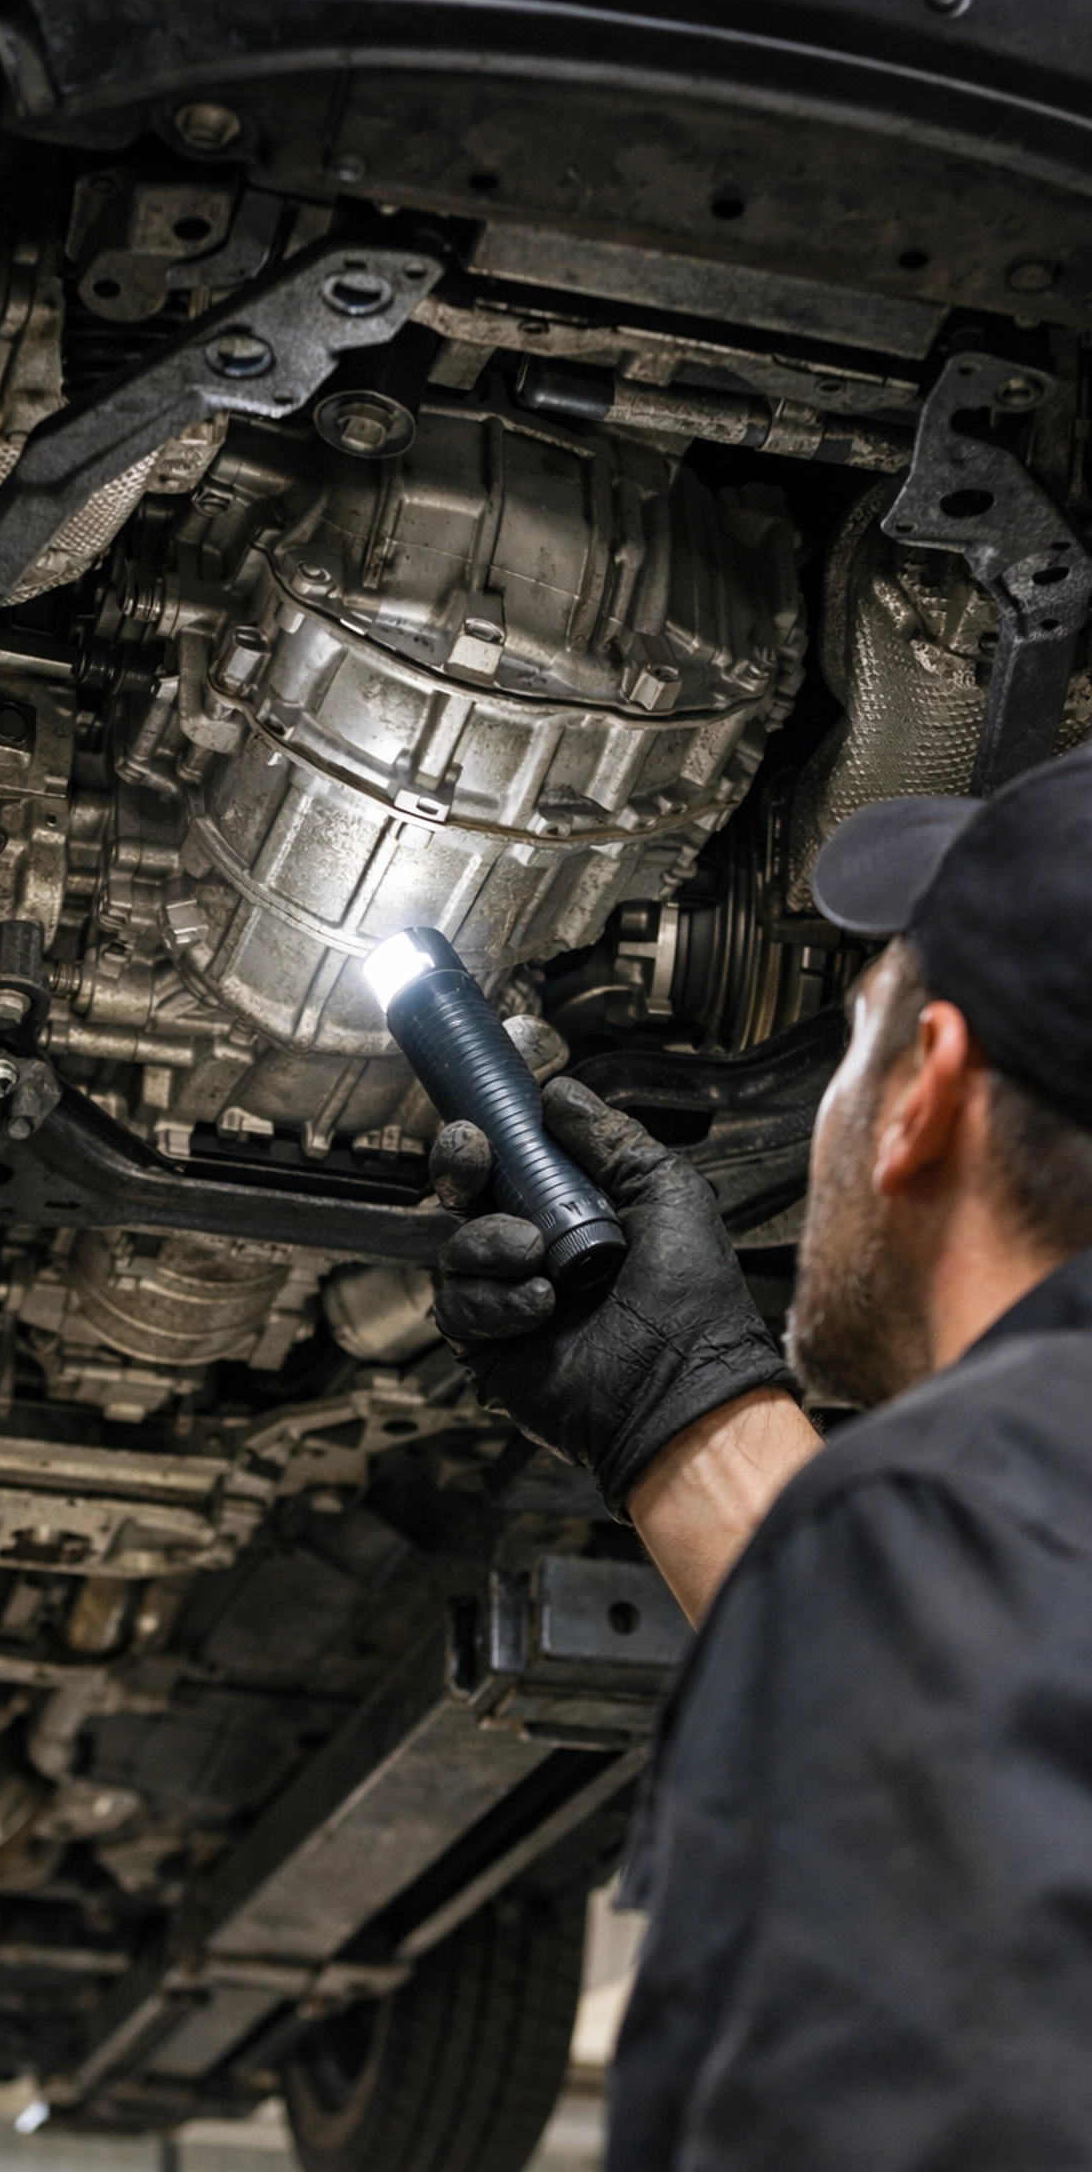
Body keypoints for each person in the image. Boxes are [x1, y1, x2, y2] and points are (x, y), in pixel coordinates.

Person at [431, 744, 1092, 2171]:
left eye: (855, 1039)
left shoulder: (961, 1510)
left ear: (927, 1094)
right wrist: (681, 1405)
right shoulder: (1012, 1517)